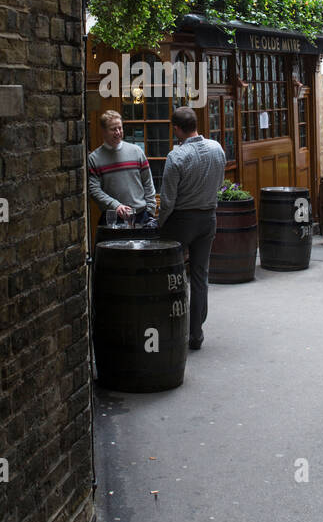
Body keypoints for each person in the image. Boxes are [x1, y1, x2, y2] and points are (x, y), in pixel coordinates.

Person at [157, 106, 226, 351]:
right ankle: (196, 332)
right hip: (208, 217)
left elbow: (168, 200)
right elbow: (219, 183)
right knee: (200, 275)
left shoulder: (176, 157)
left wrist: (160, 223)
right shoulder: (217, 148)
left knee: (172, 275)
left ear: (176, 128)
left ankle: (171, 327)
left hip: (181, 220)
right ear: (196, 124)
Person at [87, 111, 156, 235]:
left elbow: (148, 182)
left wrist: (150, 211)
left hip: (141, 217)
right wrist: (116, 206)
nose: (118, 132)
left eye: (120, 128)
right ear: (103, 131)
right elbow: (93, 190)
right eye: (113, 129)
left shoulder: (137, 152)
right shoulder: (94, 159)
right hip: (112, 219)